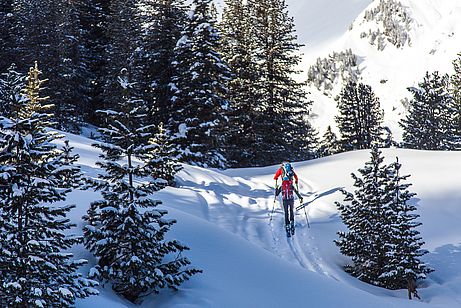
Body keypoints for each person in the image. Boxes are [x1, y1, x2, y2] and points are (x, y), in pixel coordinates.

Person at [273, 161, 303, 237]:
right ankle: (292, 222)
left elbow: (275, 177)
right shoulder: (291, 170)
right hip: (291, 196)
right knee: (291, 210)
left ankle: (287, 224)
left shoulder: (281, 169)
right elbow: (296, 177)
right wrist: (300, 197)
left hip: (284, 198)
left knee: (286, 212)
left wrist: (276, 188)